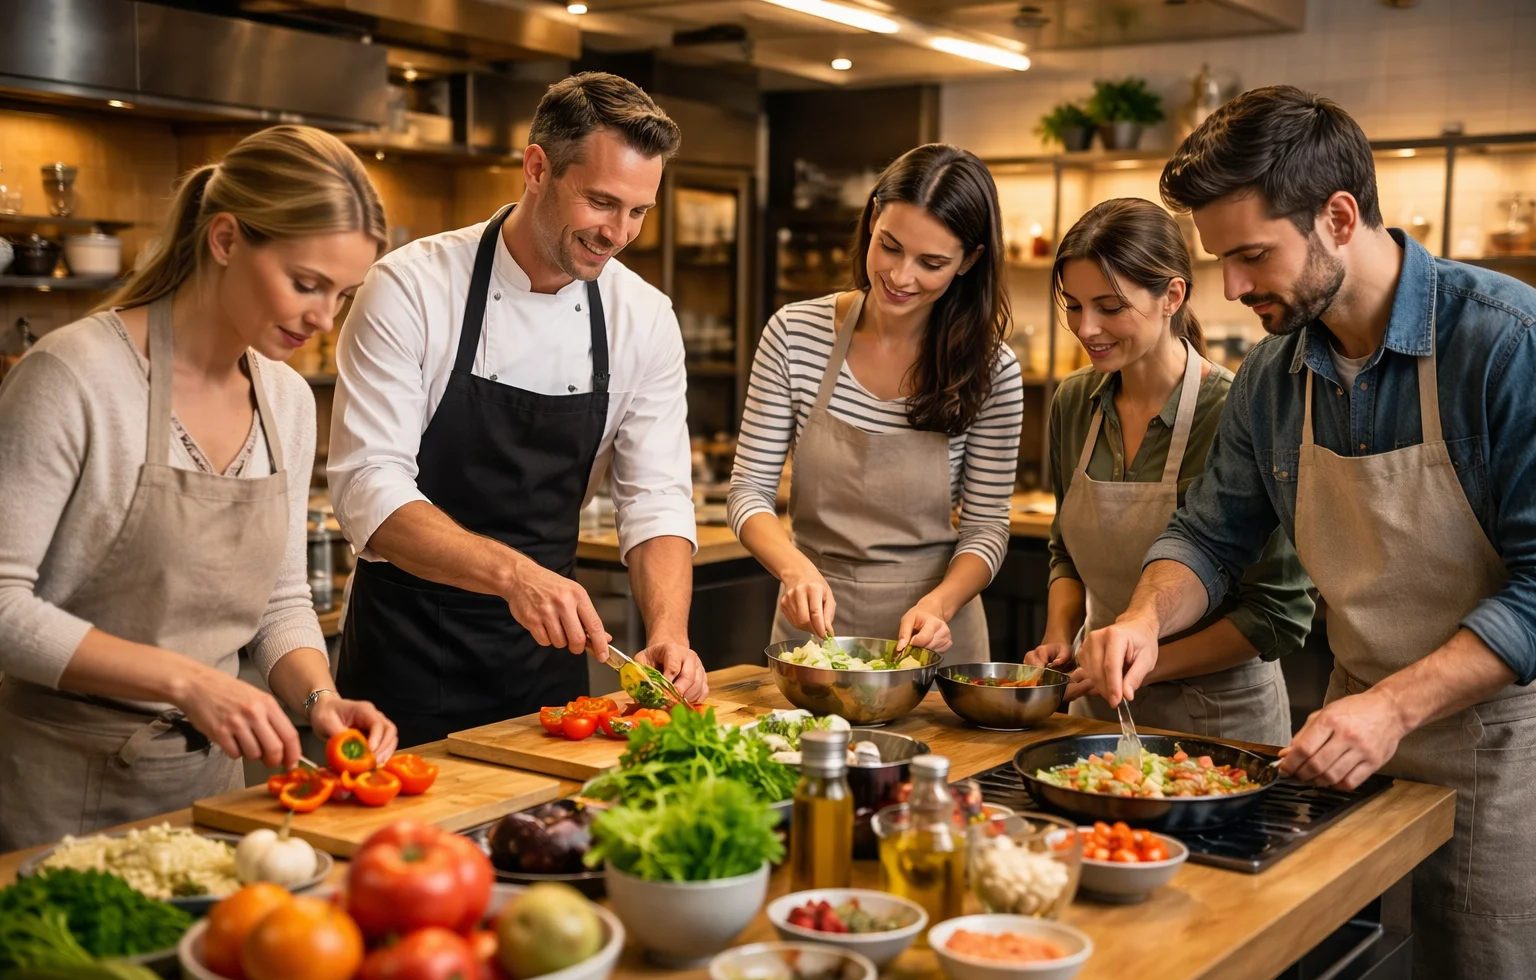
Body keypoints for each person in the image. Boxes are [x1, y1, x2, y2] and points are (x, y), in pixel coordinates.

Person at [1074, 86, 1536, 980]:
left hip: (1497, 751)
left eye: (1252, 256)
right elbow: (1208, 535)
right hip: (1341, 747)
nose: (1234, 291)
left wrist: (1394, 706)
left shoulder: (1505, 342)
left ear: (1338, 215)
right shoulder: (1275, 382)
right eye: (1222, 263)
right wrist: (1142, 617)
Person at [0, 125, 399, 853]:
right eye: (306, 284)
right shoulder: (74, 375)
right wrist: (189, 683)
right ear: (224, 240)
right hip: (55, 795)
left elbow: (279, 599)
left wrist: (321, 700)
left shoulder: (285, 399)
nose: (323, 320)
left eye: (342, 295)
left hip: (213, 801)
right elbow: (2, 604)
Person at [328, 72, 708, 748]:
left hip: (545, 663)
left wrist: (668, 634)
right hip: (406, 657)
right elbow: (367, 491)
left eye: (638, 212)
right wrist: (514, 576)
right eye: (600, 202)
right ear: (537, 168)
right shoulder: (410, 288)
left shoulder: (641, 317)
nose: (618, 233)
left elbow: (655, 497)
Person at [1029, 198, 1311, 745]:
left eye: (1109, 307)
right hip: (1095, 704)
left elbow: (1277, 611)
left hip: (1221, 719)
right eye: (1073, 305)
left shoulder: (1238, 410)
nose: (1086, 329)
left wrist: (1142, 660)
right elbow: (1065, 549)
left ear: (1171, 296)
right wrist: (1059, 636)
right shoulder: (1073, 402)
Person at [729, 144, 1023, 661]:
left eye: (931, 263)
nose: (901, 276)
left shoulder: (992, 369)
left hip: (933, 639)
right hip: (813, 635)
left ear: (969, 261)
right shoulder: (795, 334)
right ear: (871, 220)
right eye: (890, 246)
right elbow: (748, 492)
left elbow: (986, 528)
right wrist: (794, 569)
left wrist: (941, 603)